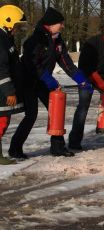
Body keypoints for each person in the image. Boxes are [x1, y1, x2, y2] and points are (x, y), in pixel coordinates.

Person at [8, 7, 93, 159]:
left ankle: (58, 147)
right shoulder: (35, 40)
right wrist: (50, 81)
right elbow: (33, 65)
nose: (62, 26)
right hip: (28, 81)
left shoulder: (58, 40)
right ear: (50, 24)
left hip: (42, 81)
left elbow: (66, 63)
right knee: (31, 115)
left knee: (56, 112)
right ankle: (15, 148)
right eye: (60, 23)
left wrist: (81, 80)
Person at [0, 5, 26, 164]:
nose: (17, 29)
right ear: (7, 23)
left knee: (4, 121)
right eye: (16, 26)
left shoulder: (5, 38)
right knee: (1, 122)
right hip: (2, 91)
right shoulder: (0, 40)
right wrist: (9, 91)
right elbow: (1, 69)